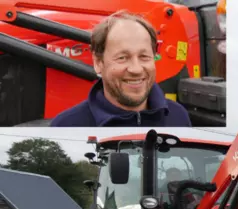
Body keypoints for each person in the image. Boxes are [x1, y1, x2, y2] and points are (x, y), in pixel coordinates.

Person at [50, 11, 192, 127]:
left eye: (144, 56)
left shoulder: (178, 117)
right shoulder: (66, 127)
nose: (136, 69)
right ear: (98, 63)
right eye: (122, 58)